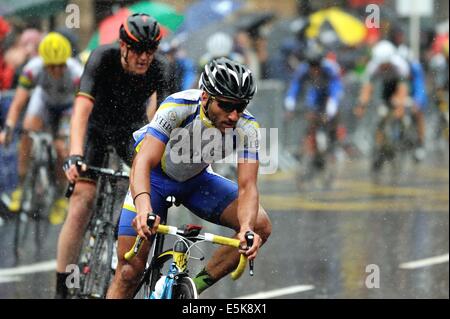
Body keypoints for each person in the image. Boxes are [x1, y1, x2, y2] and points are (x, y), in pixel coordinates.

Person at [106, 57, 272, 299]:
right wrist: (143, 208)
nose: (234, 115)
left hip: (197, 181)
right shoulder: (178, 106)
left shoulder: (248, 128)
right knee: (129, 272)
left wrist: (246, 228)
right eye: (226, 105)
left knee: (260, 225)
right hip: (154, 180)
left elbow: (247, 187)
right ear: (205, 97)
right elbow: (143, 161)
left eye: (241, 106)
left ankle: (192, 288)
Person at [56, 13, 169, 299]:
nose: (144, 57)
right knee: (82, 202)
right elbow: (81, 110)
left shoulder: (161, 67)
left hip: (130, 130)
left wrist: (158, 163)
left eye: (150, 50)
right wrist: (74, 154)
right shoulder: (101, 57)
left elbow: (165, 119)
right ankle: (62, 285)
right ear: (122, 46)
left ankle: (126, 266)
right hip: (95, 128)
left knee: (149, 183)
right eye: (138, 50)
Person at [0, 32, 83, 215]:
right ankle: (21, 186)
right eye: (51, 66)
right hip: (44, 102)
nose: (55, 71)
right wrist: (8, 128)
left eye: (60, 66)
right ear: (43, 61)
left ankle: (61, 197)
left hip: (68, 107)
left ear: (66, 61)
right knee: (27, 133)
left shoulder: (76, 72)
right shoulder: (33, 69)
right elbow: (17, 104)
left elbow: (81, 109)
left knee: (62, 148)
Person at [354, 40, 410, 172]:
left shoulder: (400, 66)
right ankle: (380, 148)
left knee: (399, 111)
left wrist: (400, 106)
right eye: (381, 65)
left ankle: (402, 137)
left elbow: (402, 89)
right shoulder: (373, 67)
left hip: (399, 86)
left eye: (386, 65)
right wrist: (361, 105)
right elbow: (367, 89)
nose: (383, 68)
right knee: (381, 118)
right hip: (386, 88)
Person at [284, 43, 343, 164]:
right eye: (311, 66)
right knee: (311, 116)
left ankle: (333, 144)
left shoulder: (330, 68)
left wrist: (331, 109)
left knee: (332, 115)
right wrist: (290, 105)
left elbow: (335, 89)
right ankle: (310, 148)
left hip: (329, 94)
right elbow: (295, 87)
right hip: (315, 94)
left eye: (316, 66)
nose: (314, 70)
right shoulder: (303, 69)